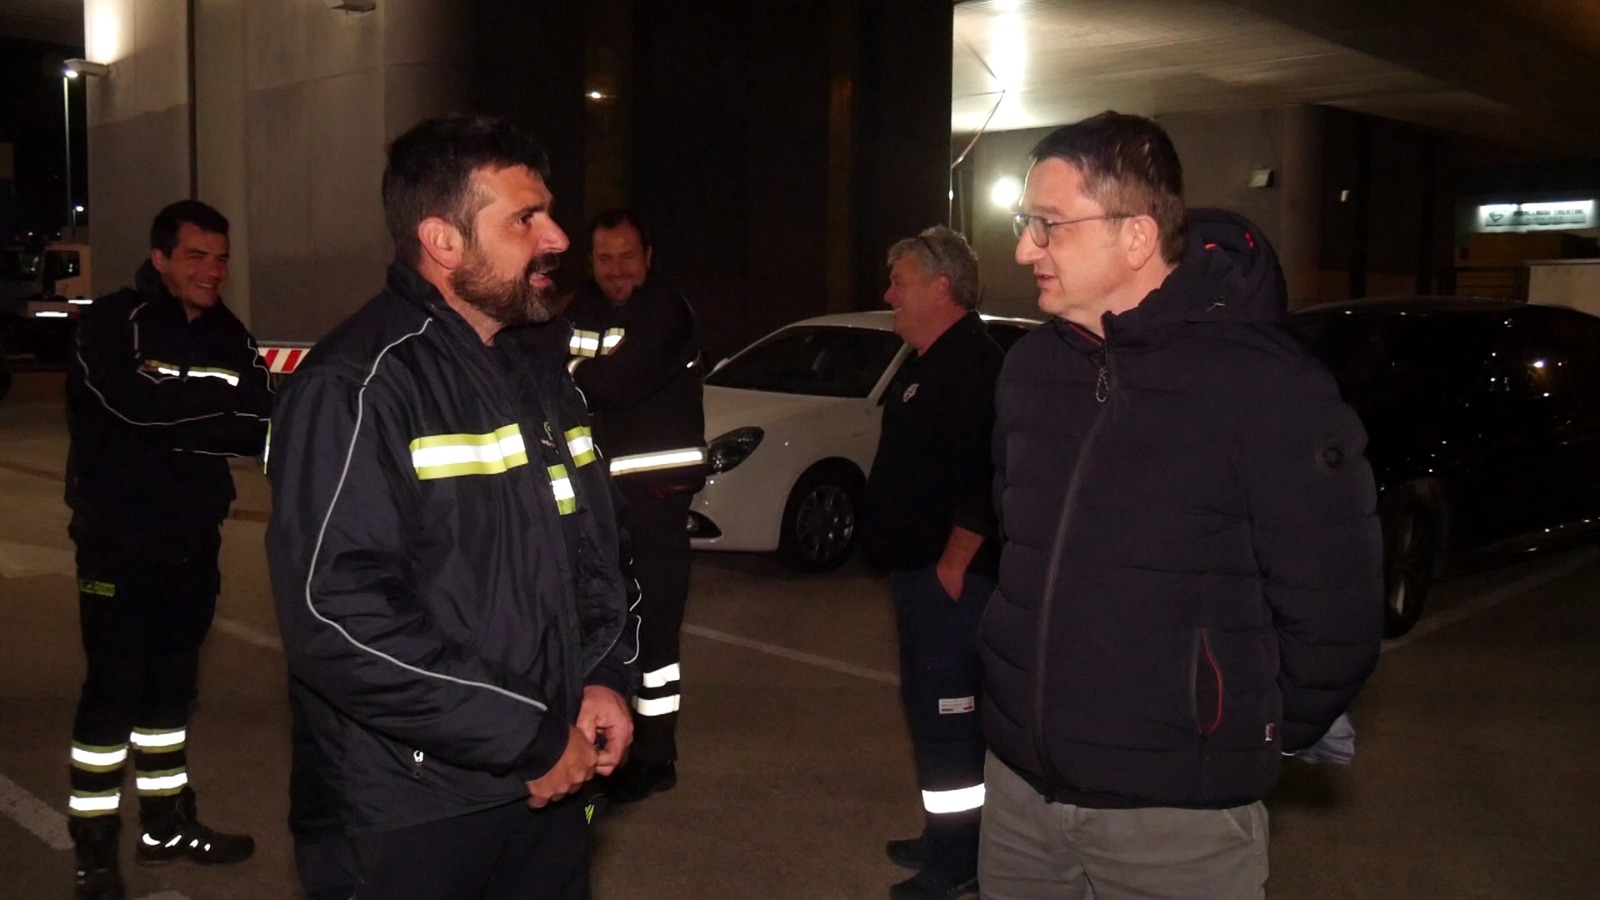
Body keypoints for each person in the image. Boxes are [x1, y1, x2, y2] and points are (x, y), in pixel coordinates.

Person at [978, 111, 1384, 899]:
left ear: (1136, 236)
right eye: (1025, 223)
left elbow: (1336, 604)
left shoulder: (1265, 385)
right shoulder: (1028, 370)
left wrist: (1250, 732)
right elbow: (1015, 540)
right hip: (1021, 794)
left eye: (1047, 224)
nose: (1025, 249)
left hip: (1178, 820)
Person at [265, 114, 636, 900]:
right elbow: (335, 616)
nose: (557, 238)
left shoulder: (540, 370)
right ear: (443, 241)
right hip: (411, 815)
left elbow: (595, 551)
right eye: (525, 220)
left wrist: (601, 675)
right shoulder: (357, 385)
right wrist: (524, 735)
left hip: (549, 780)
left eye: (548, 213)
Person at [64, 199, 270, 900]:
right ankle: (94, 852)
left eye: (221, 258)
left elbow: (260, 417)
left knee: (173, 691)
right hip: (116, 543)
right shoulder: (110, 323)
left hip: (192, 541)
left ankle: (165, 826)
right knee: (112, 693)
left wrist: (188, 421)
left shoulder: (228, 333)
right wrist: (214, 417)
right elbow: (129, 407)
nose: (213, 271)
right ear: (160, 258)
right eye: (196, 256)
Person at [861, 226, 1002, 900]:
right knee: (931, 716)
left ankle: (959, 863)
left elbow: (987, 476)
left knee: (952, 724)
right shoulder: (930, 360)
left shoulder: (970, 365)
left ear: (941, 288)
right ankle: (944, 838)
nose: (890, 294)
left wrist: (952, 565)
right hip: (921, 578)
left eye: (901, 282)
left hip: (951, 587)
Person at [564, 208, 706, 804]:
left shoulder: (666, 311)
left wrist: (568, 368)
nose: (616, 269)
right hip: (600, 504)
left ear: (648, 257)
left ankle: (654, 755)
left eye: (627, 256)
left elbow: (619, 384)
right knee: (603, 623)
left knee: (654, 635)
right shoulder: (582, 308)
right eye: (605, 258)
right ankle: (604, 743)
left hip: (654, 503)